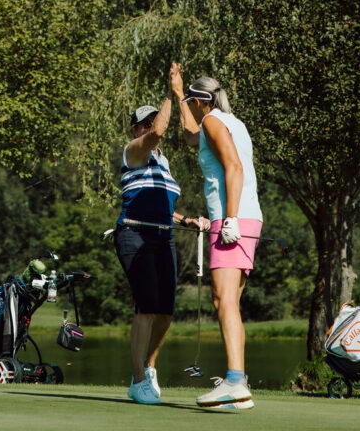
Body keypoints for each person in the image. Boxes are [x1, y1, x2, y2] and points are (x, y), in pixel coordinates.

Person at [171, 65, 262, 410]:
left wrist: (230, 220)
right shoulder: (228, 122)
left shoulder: (213, 122)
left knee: (224, 300)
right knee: (225, 302)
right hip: (240, 218)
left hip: (234, 220)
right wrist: (179, 93)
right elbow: (189, 135)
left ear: (200, 102)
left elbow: (234, 168)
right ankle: (237, 383)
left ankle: (235, 381)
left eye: (191, 103)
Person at [112, 73, 185, 405]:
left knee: (166, 311)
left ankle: (149, 366)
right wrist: (173, 93)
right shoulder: (134, 152)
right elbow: (159, 133)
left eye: (151, 122)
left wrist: (188, 220)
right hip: (134, 234)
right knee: (146, 307)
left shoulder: (163, 164)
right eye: (143, 123)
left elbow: (162, 206)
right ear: (134, 130)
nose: (149, 127)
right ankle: (138, 379)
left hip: (163, 237)